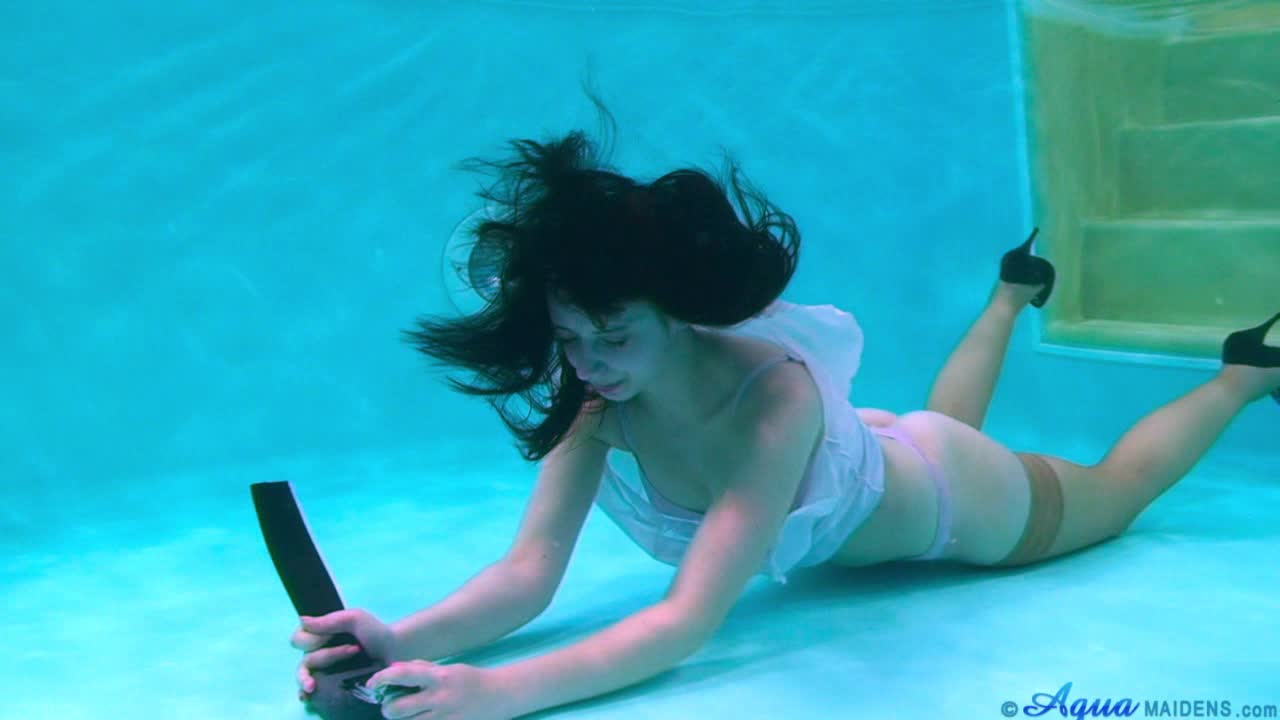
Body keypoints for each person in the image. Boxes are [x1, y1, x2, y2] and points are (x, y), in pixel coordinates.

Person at [290, 98, 1280, 719]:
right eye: (569, 337)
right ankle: (1012, 294)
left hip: (951, 499)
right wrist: (403, 640)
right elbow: (526, 574)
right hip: (870, 464)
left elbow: (686, 621)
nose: (588, 364)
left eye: (613, 334)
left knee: (1116, 492)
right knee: (940, 425)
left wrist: (497, 693)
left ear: (675, 309)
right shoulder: (595, 395)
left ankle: (1246, 370)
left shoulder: (772, 399)